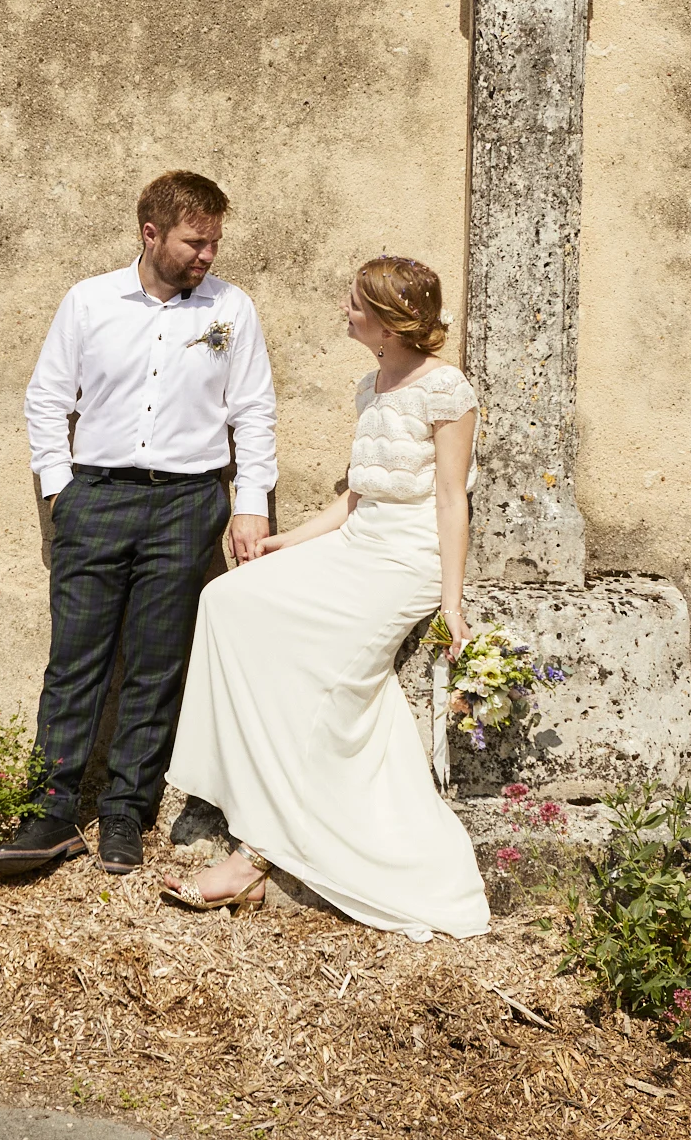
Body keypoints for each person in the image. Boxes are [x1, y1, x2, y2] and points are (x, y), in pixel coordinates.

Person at [160, 255, 489, 941]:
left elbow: (452, 499)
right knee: (227, 601)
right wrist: (291, 542)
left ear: (391, 323)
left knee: (322, 678)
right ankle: (235, 787)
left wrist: (451, 601)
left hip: (405, 559)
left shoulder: (447, 391)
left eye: (356, 303)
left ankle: (253, 854)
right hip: (356, 541)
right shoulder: (371, 385)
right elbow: (354, 496)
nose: (345, 309)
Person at [0, 171, 278, 879]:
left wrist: (251, 501)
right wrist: (62, 492)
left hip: (187, 504)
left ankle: (125, 810)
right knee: (76, 659)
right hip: (97, 498)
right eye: (194, 241)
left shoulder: (232, 310)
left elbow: (254, 411)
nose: (207, 254)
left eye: (214, 241)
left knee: (155, 663)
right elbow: (48, 397)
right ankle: (52, 808)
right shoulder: (89, 301)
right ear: (150, 233)